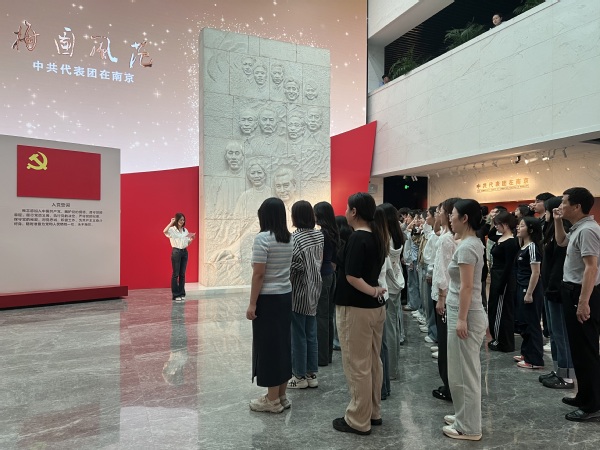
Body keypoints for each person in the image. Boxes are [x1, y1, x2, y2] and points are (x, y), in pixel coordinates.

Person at [333, 192, 388, 436]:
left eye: (347, 208)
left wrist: (373, 290)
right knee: (373, 362)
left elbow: (352, 277)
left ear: (354, 212)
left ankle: (358, 419)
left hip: (356, 308)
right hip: (374, 309)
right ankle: (372, 412)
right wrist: (375, 292)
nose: (345, 212)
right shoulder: (377, 236)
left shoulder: (358, 238)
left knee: (357, 364)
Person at [554, 187, 600, 422]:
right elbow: (561, 241)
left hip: (582, 294)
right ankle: (584, 395)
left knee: (586, 350)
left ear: (577, 206)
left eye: (564, 202)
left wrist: (583, 302)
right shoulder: (578, 228)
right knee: (578, 349)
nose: (560, 206)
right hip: (572, 291)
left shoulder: (588, 230)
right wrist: (557, 220)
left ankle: (593, 405)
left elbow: (592, 267)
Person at [443, 199, 486, 441]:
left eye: (453, 214)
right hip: (462, 312)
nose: (450, 218)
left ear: (465, 218)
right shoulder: (469, 243)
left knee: (465, 373)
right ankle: (463, 416)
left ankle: (469, 427)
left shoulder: (468, 246)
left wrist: (461, 319)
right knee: (459, 371)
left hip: (466, 315)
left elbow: (467, 287)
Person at [246, 197, 294, 414]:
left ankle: (272, 400)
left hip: (268, 299)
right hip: (285, 296)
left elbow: (259, 274)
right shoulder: (289, 238)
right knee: (282, 344)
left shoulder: (263, 238)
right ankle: (282, 395)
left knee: (269, 347)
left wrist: (252, 304)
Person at [288, 201, 324, 389]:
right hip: (315, 287)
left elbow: (295, 267)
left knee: (298, 334)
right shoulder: (319, 235)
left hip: (299, 290)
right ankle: (311, 374)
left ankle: (299, 376)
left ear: (295, 216)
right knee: (311, 332)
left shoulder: (295, 238)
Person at [539, 196, 574, 389]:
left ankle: (567, 375)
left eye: (546, 210)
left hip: (557, 289)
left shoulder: (564, 231)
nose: (545, 214)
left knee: (561, 333)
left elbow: (560, 264)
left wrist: (553, 286)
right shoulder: (551, 230)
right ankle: (557, 370)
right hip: (549, 288)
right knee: (553, 332)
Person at [432, 197, 460, 402]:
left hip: (446, 296)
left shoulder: (447, 239)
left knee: (446, 345)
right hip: (453, 295)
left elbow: (443, 271)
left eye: (441, 211)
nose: (438, 214)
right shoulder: (456, 237)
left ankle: (449, 387)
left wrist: (441, 297)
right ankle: (452, 385)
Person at [514, 216, 545, 369]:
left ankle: (534, 360)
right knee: (524, 322)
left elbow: (536, 272)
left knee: (532, 323)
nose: (518, 228)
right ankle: (526, 353)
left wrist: (529, 293)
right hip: (521, 287)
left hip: (530, 289)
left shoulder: (532, 247)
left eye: (522, 226)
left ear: (531, 230)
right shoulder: (522, 246)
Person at [379, 203, 406, 380]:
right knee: (393, 327)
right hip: (396, 282)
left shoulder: (386, 237)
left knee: (389, 329)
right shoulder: (397, 234)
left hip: (388, 285)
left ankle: (390, 370)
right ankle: (393, 368)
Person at [487, 211, 519, 352]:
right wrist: (495, 220)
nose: (496, 227)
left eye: (498, 224)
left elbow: (509, 266)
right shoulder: (500, 238)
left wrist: (502, 284)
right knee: (494, 309)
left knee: (502, 311)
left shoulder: (511, 242)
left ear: (505, 225)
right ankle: (497, 338)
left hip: (503, 278)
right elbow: (491, 234)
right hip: (496, 276)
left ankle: (504, 342)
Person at [314, 201, 340, 367]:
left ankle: (321, 357)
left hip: (322, 277)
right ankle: (327, 354)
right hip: (330, 275)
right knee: (328, 316)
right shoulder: (333, 232)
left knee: (321, 317)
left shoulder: (322, 234)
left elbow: (319, 259)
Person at [163, 213, 195, 302]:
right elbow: (164, 231)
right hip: (176, 252)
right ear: (177, 220)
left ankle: (182, 293)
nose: (182, 221)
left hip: (184, 252)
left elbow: (187, 243)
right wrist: (171, 222)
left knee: (182, 274)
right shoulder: (172, 229)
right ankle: (176, 295)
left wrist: (191, 239)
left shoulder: (185, 230)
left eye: (183, 220)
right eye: (180, 219)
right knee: (175, 274)